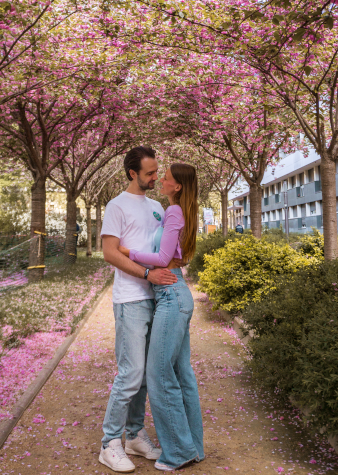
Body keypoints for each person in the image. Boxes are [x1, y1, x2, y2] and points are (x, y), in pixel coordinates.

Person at [119, 163, 204, 471]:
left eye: (165, 176)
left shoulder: (175, 212)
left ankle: (179, 452)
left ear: (177, 186)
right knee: (182, 375)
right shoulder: (182, 211)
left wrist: (127, 252)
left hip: (171, 298)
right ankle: (193, 447)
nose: (161, 179)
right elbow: (174, 256)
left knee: (158, 374)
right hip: (175, 295)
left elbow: (163, 259)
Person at [99, 146, 179, 473]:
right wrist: (147, 273)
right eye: (149, 172)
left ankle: (133, 435)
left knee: (145, 374)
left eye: (156, 171)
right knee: (130, 374)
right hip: (130, 298)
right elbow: (109, 252)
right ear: (132, 173)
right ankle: (109, 443)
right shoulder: (116, 206)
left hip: (158, 299)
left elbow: (163, 247)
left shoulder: (158, 206)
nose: (155, 177)